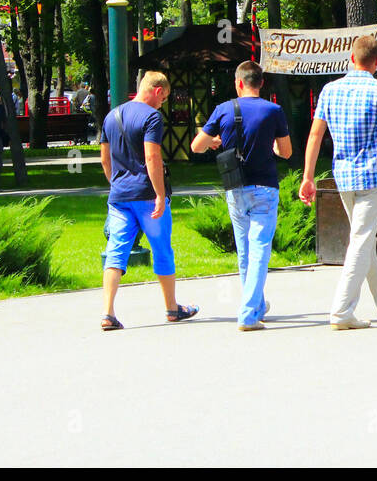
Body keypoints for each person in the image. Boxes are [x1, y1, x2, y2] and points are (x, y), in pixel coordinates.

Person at [299, 35, 377, 330]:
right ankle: (342, 312)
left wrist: (308, 176)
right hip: (372, 175)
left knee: (363, 239)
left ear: (351, 58)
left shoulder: (330, 90)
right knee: (361, 241)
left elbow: (315, 136)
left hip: (343, 177)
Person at [191, 61, 292, 332]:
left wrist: (213, 141)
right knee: (259, 248)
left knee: (245, 251)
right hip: (265, 188)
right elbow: (287, 152)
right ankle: (248, 313)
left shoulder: (224, 109)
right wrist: (271, 144)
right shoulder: (273, 111)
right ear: (261, 83)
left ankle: (256, 305)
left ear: (238, 83)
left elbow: (196, 147)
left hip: (235, 187)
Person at [98, 71, 197, 331]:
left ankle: (108, 313)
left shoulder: (111, 116)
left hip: (119, 197)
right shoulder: (152, 117)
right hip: (147, 197)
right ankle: (172, 308)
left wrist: (115, 184)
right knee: (162, 248)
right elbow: (152, 157)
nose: (162, 104)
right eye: (163, 98)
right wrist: (160, 194)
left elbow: (105, 160)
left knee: (116, 252)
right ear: (156, 90)